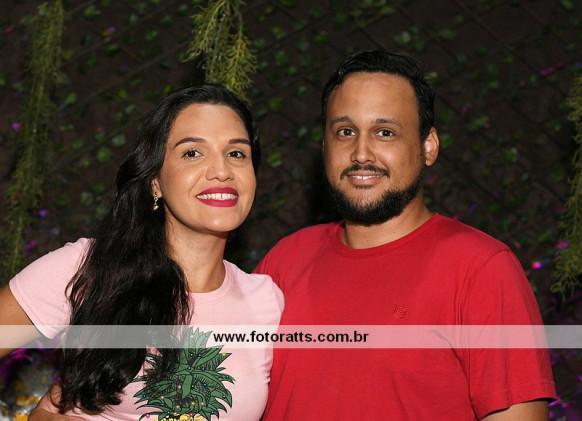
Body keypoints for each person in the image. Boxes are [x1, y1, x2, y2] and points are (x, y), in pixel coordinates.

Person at [254, 50, 556, 420]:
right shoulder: (285, 260)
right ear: (324, 147)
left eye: (385, 133)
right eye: (345, 132)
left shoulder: (482, 270)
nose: (361, 153)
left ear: (428, 146)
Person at [0, 83, 284, 421]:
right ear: (155, 181)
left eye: (236, 153)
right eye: (192, 153)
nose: (221, 170)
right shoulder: (89, 268)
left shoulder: (267, 303)